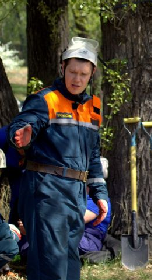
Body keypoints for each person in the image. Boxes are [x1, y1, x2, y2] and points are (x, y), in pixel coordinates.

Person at [7, 37, 109, 279]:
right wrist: (21, 135)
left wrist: (100, 194)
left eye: (83, 74)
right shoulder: (44, 99)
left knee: (70, 261)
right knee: (49, 263)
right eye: (72, 71)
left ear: (92, 73)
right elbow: (22, 126)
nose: (77, 79)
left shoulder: (93, 108)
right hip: (45, 190)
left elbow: (93, 155)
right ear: (62, 68)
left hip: (76, 194)